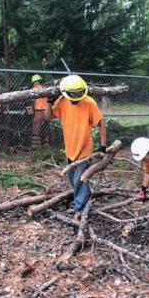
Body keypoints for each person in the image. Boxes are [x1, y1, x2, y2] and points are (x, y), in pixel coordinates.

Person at [46, 75, 107, 220]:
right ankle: (85, 197)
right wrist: (49, 102)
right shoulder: (62, 101)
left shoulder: (89, 103)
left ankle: (79, 210)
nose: (76, 98)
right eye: (73, 95)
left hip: (85, 150)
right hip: (70, 150)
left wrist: (103, 146)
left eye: (78, 95)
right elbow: (48, 117)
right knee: (74, 181)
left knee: (79, 180)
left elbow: (101, 123)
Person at [30, 74, 49, 148]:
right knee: (45, 127)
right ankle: (46, 144)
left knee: (36, 126)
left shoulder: (33, 90)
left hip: (39, 110)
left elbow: (31, 101)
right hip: (46, 111)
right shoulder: (44, 89)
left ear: (34, 82)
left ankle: (35, 145)